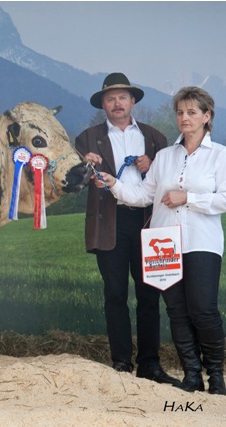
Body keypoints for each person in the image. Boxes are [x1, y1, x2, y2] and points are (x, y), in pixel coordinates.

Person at [99, 86, 226, 395]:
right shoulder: (165, 156)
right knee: (176, 310)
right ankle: (191, 375)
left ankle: (216, 375)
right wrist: (115, 184)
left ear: (207, 116)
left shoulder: (220, 155)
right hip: (164, 242)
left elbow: (224, 199)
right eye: (180, 112)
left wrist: (188, 198)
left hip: (202, 242)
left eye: (192, 112)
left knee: (204, 310)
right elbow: (144, 195)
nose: (184, 118)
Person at [76, 72, 179, 385]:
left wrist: (152, 164)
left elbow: (167, 178)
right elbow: (77, 181)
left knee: (149, 295)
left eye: (122, 97)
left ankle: (149, 364)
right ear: (103, 105)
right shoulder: (86, 138)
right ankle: (121, 362)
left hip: (148, 222)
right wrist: (86, 165)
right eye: (110, 99)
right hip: (110, 221)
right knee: (115, 293)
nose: (117, 103)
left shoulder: (154, 137)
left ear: (133, 101)